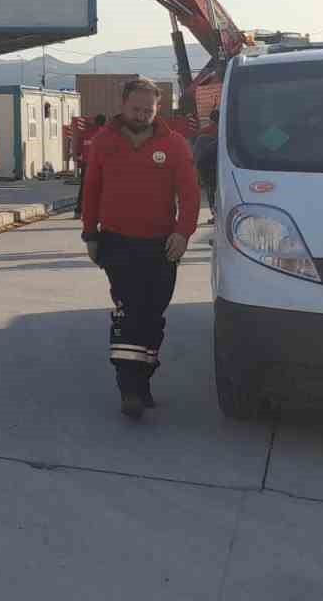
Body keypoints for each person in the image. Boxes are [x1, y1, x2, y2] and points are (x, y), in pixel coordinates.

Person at [80, 78, 200, 420]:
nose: (142, 114)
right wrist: (90, 234)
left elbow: (190, 194)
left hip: (162, 246)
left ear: (157, 109)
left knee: (152, 316)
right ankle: (128, 388)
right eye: (136, 108)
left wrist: (183, 233)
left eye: (148, 110)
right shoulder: (103, 142)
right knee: (128, 311)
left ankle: (143, 380)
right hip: (117, 243)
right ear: (123, 103)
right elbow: (91, 189)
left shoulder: (175, 144)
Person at [73, 113, 108, 218]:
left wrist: (79, 155)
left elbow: (79, 147)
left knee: (83, 187)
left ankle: (78, 211)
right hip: (99, 165)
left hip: (86, 163)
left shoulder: (86, 133)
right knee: (101, 188)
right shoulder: (105, 134)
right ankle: (98, 211)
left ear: (95, 121)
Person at [193, 110, 220, 225]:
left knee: (212, 191)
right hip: (214, 167)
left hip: (210, 168)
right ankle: (216, 215)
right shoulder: (225, 131)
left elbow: (200, 158)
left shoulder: (204, 135)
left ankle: (215, 215)